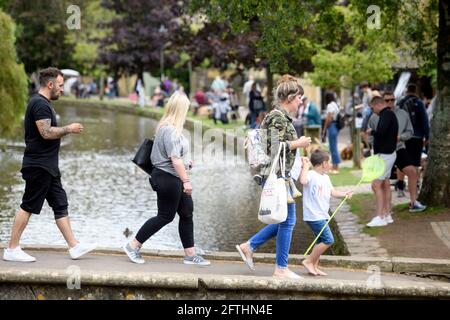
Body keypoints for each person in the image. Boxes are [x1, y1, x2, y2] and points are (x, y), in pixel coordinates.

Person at [3, 67, 97, 262]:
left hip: (48, 166)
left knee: (60, 204)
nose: (62, 90)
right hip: (39, 165)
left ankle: (74, 246)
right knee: (28, 205)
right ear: (50, 84)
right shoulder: (40, 104)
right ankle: (12, 249)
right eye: (61, 86)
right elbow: (45, 133)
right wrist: (68, 129)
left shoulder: (43, 103)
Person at [236, 74, 312, 279]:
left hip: (281, 175)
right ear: (289, 98)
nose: (300, 102)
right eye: (299, 98)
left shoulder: (281, 116)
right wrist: (299, 143)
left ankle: (249, 246)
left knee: (283, 220)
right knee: (287, 222)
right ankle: (281, 268)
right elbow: (274, 147)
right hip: (275, 176)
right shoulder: (277, 117)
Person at [123, 92, 210, 266]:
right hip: (167, 178)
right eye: (187, 108)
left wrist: (187, 163)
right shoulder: (169, 129)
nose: (189, 111)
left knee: (187, 213)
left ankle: (190, 255)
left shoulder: (169, 128)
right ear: (181, 109)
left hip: (174, 176)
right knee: (165, 216)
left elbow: (178, 157)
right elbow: (174, 159)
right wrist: (186, 181)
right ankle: (133, 245)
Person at [368, 92, 427, 219]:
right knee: (384, 182)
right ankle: (386, 212)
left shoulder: (402, 114)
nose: (390, 102)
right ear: (382, 102)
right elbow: (371, 135)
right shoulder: (374, 116)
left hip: (399, 148)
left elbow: (410, 132)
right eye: (387, 100)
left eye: (392, 100)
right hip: (383, 152)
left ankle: (413, 202)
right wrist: (376, 146)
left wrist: (400, 137)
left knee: (412, 172)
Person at [299, 150, 352, 276]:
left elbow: (332, 192)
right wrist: (305, 167)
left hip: (322, 215)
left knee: (320, 240)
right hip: (313, 216)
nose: (329, 165)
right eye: (328, 162)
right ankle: (308, 261)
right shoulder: (311, 175)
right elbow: (302, 181)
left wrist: (344, 194)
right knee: (328, 240)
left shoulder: (326, 177)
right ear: (323, 163)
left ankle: (314, 267)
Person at [365, 96, 399, 227]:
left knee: (376, 185)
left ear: (378, 104)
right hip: (387, 153)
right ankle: (386, 214)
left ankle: (379, 217)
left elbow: (382, 132)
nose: (373, 111)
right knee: (385, 183)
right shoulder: (388, 114)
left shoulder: (386, 114)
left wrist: (371, 131)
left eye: (372, 108)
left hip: (386, 154)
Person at [397, 84, 430, 192]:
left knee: (401, 162)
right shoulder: (419, 103)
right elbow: (425, 120)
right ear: (416, 91)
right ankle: (415, 185)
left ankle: (400, 187)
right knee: (415, 162)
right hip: (416, 136)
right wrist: (427, 135)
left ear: (407, 91)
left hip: (402, 137)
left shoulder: (400, 102)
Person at [322, 92, 341, 174]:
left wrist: (325, 127)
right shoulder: (335, 104)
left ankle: (335, 166)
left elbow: (329, 117)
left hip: (332, 126)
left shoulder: (330, 105)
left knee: (333, 147)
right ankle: (335, 165)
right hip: (336, 125)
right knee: (334, 146)